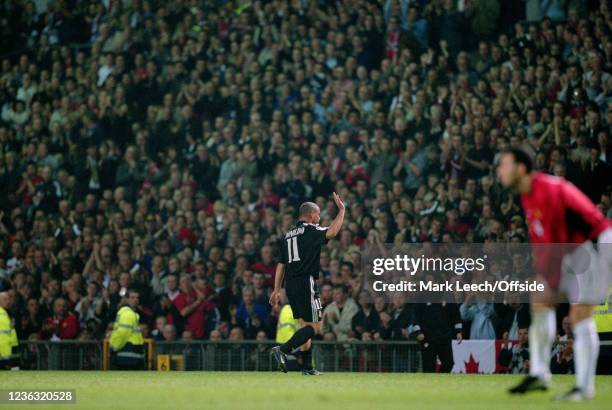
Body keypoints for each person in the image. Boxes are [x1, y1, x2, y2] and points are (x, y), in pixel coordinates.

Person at [497, 148, 612, 401]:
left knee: (580, 315)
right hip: (573, 250)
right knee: (540, 299)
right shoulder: (527, 196)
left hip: (594, 246)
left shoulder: (547, 190)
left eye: (504, 165)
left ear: (522, 168)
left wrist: (547, 275)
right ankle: (539, 374)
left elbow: (556, 238)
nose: (499, 171)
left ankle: (584, 387)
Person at [270, 192, 345, 375]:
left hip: (291, 284)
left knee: (304, 325)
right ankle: (283, 350)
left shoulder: (288, 235)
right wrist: (342, 210)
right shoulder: (311, 230)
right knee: (315, 327)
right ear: (311, 215)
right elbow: (333, 232)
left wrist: (276, 289)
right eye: (318, 215)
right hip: (305, 282)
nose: (319, 218)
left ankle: (307, 367)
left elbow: (281, 264)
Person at [109, 290, 145, 370]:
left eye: (137, 298)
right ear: (126, 299)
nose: (135, 300)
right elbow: (123, 334)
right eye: (132, 297)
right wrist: (115, 348)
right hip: (128, 354)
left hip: (127, 353)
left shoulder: (128, 312)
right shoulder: (128, 313)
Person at [0, 292, 19, 370]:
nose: (8, 301)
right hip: (2, 350)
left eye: (8, 299)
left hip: (10, 347)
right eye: (5, 299)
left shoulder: (7, 312)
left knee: (12, 371)